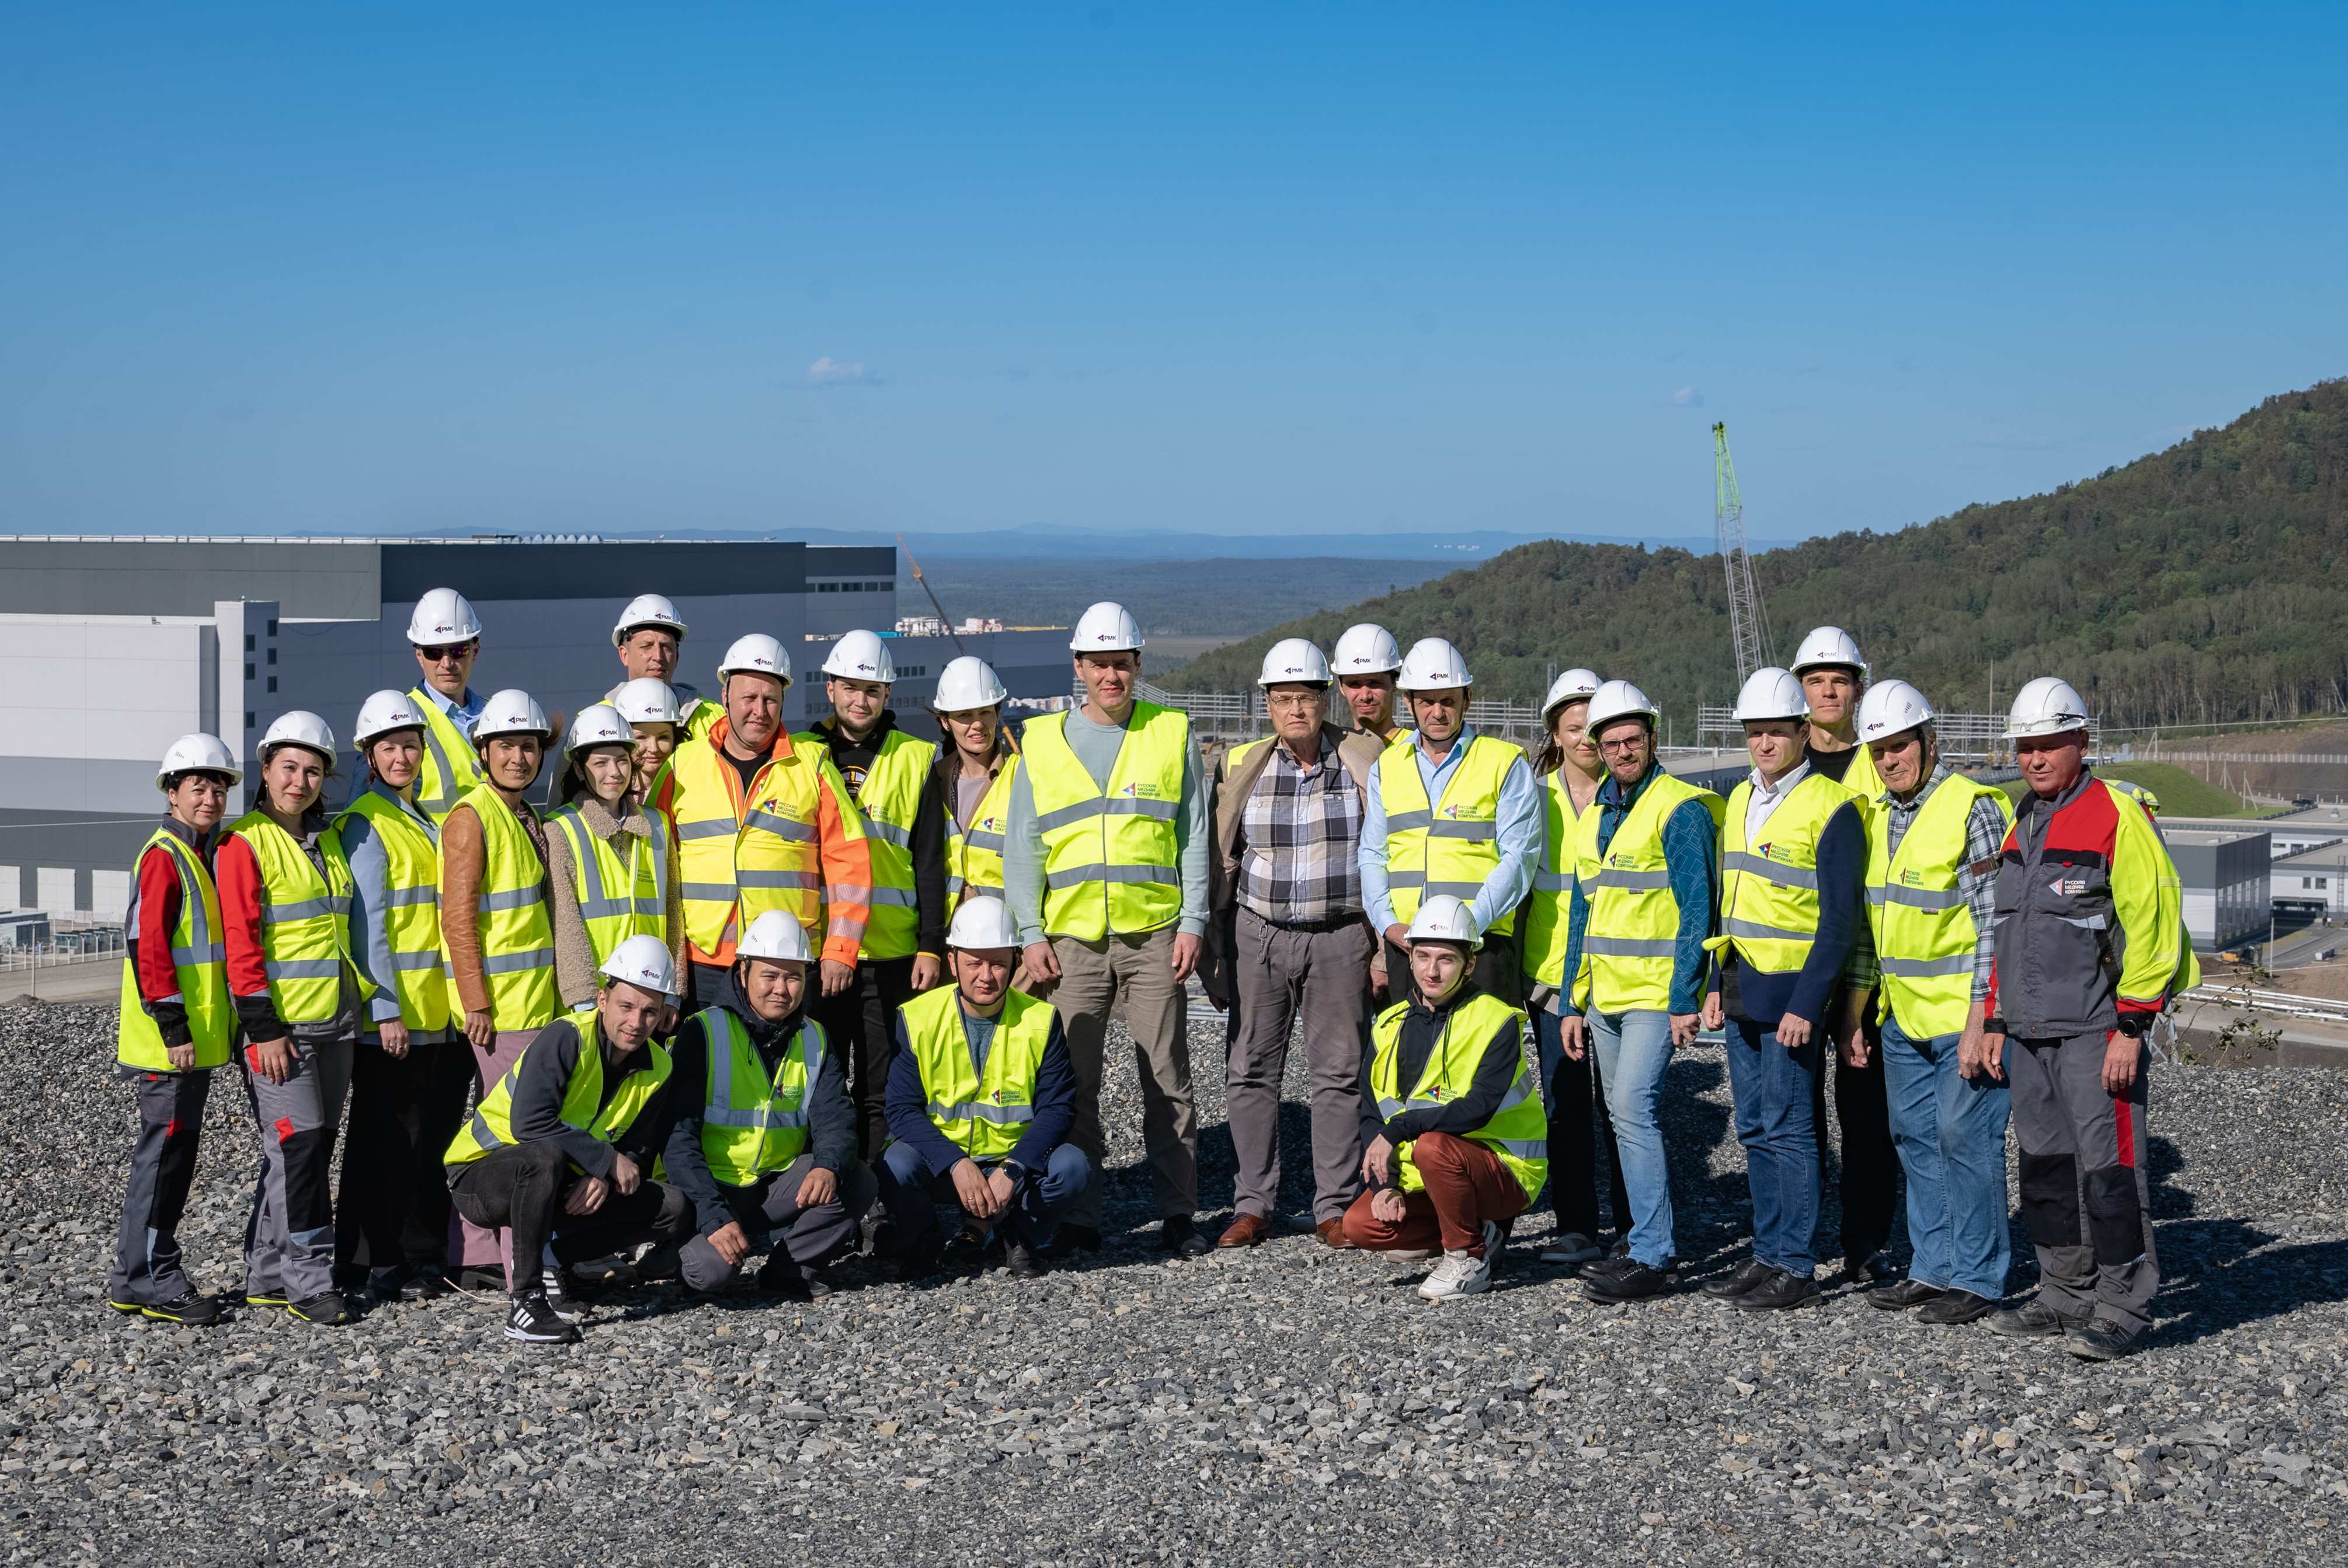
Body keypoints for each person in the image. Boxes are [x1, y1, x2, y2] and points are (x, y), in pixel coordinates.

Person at [1984, 677, 2196, 1361]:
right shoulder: (2025, 821)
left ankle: (2123, 1307)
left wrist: (2131, 1027)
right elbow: (2008, 931)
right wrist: (1994, 1017)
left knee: (2111, 1173)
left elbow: (2155, 924)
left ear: (2081, 740)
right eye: (2025, 747)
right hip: (2028, 1032)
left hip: (2096, 1030)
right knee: (2045, 1171)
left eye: (2049, 744)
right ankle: (2062, 1294)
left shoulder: (2115, 814)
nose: (2035, 758)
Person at [1003, 602, 1210, 1258]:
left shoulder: (1170, 731)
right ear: (1079, 667)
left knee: (1168, 1079)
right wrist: (1030, 931)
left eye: (1121, 663)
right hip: (1072, 941)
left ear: (1137, 665)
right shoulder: (1040, 742)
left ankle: (1179, 1214)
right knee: (1076, 1088)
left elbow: (1194, 835)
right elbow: (1023, 847)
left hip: (1154, 931)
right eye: (1099, 664)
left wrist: (1195, 920)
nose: (1111, 675)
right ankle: (1081, 1218)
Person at [1203, 639, 1382, 1250]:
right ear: (1268, 704)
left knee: (1337, 1073)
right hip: (1258, 933)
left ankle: (1332, 1206)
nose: (1295, 710)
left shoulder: (1362, 759)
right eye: (1282, 699)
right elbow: (1222, 857)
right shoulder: (1244, 765)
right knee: (1250, 1069)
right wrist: (1214, 946)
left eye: (1304, 697)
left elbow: (1385, 853)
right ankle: (1253, 1203)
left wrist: (1381, 943)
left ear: (1323, 698)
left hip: (1338, 937)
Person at [1697, 668, 1867, 1312]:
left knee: (1792, 1128)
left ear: (1803, 731)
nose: (1765, 743)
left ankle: (1795, 1262)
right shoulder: (1739, 799)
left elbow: (1840, 920)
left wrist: (1808, 1003)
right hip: (1741, 984)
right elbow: (1729, 900)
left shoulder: (1833, 806)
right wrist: (1716, 982)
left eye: (1776, 731)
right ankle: (1766, 1251)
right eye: (1755, 733)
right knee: (1754, 1126)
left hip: (1792, 996)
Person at [1852, 681, 2016, 1326]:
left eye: (1899, 747)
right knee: (1915, 1138)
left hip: (1960, 1019)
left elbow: (1995, 924)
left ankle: (1979, 1277)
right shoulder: (1877, 816)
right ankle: (1933, 1268)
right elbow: (1875, 928)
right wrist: (1855, 1016)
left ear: (1928, 741)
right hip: (1902, 1020)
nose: (1890, 760)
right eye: (1879, 751)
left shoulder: (1970, 808)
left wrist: (1984, 1018)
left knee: (1965, 1138)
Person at [443, 936, 695, 1344]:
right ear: (602, 999)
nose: (636, 1022)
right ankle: (526, 1303)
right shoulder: (567, 1037)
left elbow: (639, 1149)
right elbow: (529, 1124)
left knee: (672, 1207)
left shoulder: (660, 1065)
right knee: (541, 1157)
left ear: (664, 1014)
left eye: (650, 1012)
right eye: (626, 1006)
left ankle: (553, 1262)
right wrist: (604, 1161)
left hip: (560, 1180)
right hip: (480, 1177)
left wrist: (605, 1171)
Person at [1563, 680, 1724, 1305]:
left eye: (1633, 739)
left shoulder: (1677, 808)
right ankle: (1638, 1239)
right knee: (1622, 1117)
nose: (1623, 750)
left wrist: (1686, 996)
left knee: (1634, 1110)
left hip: (1655, 995)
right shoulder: (1597, 815)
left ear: (1651, 739)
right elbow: (1585, 914)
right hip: (1604, 997)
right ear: (1597, 748)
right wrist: (1574, 1001)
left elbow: (1696, 910)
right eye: (1611, 742)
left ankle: (1654, 1253)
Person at [217, 712, 359, 1326]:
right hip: (283, 1032)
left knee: (307, 1150)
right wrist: (263, 1028)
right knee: (298, 1152)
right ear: (266, 770)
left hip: (334, 1022)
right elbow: (240, 942)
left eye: (312, 770)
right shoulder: (244, 842)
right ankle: (309, 1281)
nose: (300, 781)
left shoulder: (325, 840)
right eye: (289, 768)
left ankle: (268, 1274)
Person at [653, 633, 873, 1021]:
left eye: (770, 700)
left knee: (787, 1077)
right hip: (705, 962)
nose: (759, 710)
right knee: (710, 1073)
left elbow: (849, 864)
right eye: (748, 698)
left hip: (786, 963)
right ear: (725, 697)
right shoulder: (681, 765)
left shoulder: (812, 766)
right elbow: (654, 868)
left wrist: (841, 949)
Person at [1342, 896, 1547, 1301]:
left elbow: (1479, 1107)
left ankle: (1467, 1258)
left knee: (1435, 1147)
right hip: (1429, 1169)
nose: (1431, 971)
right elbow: (1372, 1112)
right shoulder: (1387, 1023)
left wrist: (1401, 1128)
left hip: (1505, 1167)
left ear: (1469, 964)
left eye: (1446, 959)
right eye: (1422, 957)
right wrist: (1384, 1185)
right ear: (1410, 957)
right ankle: (1475, 1232)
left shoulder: (1496, 1019)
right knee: (1360, 1225)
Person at [661, 912, 874, 1299]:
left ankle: (788, 1272)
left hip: (773, 1186)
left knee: (855, 1177)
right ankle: (673, 1254)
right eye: (769, 976)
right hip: (711, 1189)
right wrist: (712, 1216)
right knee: (709, 1275)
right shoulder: (702, 1031)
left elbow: (836, 1117)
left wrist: (827, 1165)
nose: (781, 989)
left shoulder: (815, 1037)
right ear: (743, 972)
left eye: (792, 977)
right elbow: (678, 1139)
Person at [795, 629, 948, 1158]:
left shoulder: (916, 757)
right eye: (850, 688)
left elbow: (930, 862)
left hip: (892, 953)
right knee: (820, 1081)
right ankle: (828, 1190)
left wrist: (931, 943)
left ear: (887, 695)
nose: (860, 700)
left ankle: (879, 1203)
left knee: (882, 1091)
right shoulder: (800, 754)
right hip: (820, 951)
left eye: (872, 690)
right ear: (831, 688)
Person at [878, 897, 1088, 1278]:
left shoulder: (1041, 1020)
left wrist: (1014, 1168)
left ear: (1016, 962)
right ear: (953, 959)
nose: (986, 976)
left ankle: (1016, 1234)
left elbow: (1057, 1108)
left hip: (1010, 1163)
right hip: (946, 1164)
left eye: (998, 963)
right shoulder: (918, 1017)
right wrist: (955, 1163)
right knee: (896, 1163)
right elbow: (902, 1109)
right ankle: (924, 1238)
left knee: (1071, 1167)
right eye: (974, 963)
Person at [107, 734, 242, 1326]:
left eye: (218, 786)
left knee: (171, 1156)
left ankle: (136, 1275)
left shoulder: (200, 854)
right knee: (163, 1160)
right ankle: (150, 1275)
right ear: (172, 792)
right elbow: (149, 947)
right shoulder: (165, 856)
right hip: (171, 1048)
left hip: (192, 1045)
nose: (210, 795)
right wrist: (174, 1028)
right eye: (198, 785)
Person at [332, 691, 460, 1305]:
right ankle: (368, 1262)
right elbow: (370, 928)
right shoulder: (364, 822)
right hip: (394, 1020)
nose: (403, 755)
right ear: (369, 754)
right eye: (390, 747)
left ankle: (404, 1257)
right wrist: (384, 1011)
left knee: (417, 1145)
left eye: (411, 745)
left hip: (432, 1013)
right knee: (380, 1146)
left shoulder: (421, 819)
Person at [438, 688, 562, 1290]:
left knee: (498, 1132)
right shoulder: (472, 816)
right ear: (483, 749)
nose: (518, 756)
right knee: (519, 1141)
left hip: (536, 1004)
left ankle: (478, 1255)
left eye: (529, 745)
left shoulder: (523, 814)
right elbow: (456, 916)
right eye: (507, 745)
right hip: (503, 1013)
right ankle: (522, 1272)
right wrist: (475, 1001)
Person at [1787, 625, 1900, 1284]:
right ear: (1799, 690)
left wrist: (1859, 1000)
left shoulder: (1878, 765)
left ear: (1858, 688)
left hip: (1864, 971)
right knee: (1796, 1117)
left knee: (1864, 1119)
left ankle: (1865, 1245)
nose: (1828, 691)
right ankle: (1797, 1246)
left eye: (1839, 680)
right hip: (1797, 972)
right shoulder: (1779, 767)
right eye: (1815, 680)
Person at [1515, 668, 1629, 1270]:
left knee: (1623, 1106)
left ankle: (1635, 1225)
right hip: (1553, 979)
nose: (1587, 739)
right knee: (1565, 1103)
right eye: (1574, 727)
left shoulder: (1629, 795)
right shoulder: (1534, 799)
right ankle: (1578, 1224)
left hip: (1616, 974)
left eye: (1596, 727)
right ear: (1555, 734)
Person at [1359, 637, 1540, 1005]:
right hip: (1408, 945)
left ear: (1467, 701)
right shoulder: (1388, 767)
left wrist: (1466, 926)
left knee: (1484, 1056)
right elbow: (1373, 854)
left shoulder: (1503, 762)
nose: (1438, 713)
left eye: (1448, 701)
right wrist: (1386, 922)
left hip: (1481, 946)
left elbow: (1519, 858)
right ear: (1409, 702)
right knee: (1411, 1057)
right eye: (1426, 701)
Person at [544, 704, 684, 1010]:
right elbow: (566, 923)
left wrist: (674, 989)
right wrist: (583, 998)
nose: (615, 773)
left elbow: (673, 911)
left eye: (622, 761)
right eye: (601, 763)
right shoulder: (560, 829)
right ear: (580, 770)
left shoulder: (657, 825)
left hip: (652, 992)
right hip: (597, 996)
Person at [932, 655, 1020, 910]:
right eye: (965, 715)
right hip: (944, 934)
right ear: (945, 722)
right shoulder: (931, 782)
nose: (978, 724)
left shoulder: (1021, 777)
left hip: (1004, 937)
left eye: (985, 712)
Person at [403, 587, 489, 823]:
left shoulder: (497, 713)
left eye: (458, 650)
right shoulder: (402, 718)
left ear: (475, 651)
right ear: (419, 656)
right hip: (437, 856)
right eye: (434, 652)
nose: (447, 663)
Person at [607, 593, 722, 739]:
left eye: (667, 647)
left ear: (677, 656)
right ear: (624, 655)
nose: (658, 656)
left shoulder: (715, 718)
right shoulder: (599, 719)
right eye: (647, 646)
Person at [611, 676, 683, 809]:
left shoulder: (689, 789)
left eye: (663, 737)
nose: (654, 748)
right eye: (642, 737)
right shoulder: (609, 796)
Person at [1330, 623, 1407, 744]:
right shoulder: (1331, 752)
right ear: (1341, 687)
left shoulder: (1418, 748)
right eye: (1354, 684)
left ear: (1394, 683)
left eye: (1375, 683)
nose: (1365, 696)